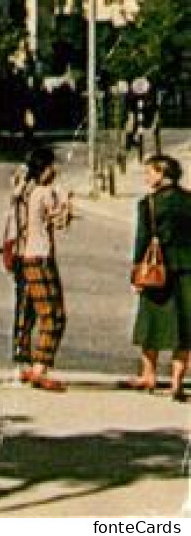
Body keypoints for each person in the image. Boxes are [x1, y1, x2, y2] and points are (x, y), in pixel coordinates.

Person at [6, 146, 72, 391]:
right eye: (51, 166)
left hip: (24, 255)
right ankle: (40, 367)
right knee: (53, 314)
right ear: (44, 170)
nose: (55, 170)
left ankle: (29, 363)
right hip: (41, 256)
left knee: (32, 310)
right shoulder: (45, 193)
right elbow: (59, 221)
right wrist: (66, 203)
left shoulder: (21, 192)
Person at [128, 155, 189, 401]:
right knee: (185, 328)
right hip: (187, 269)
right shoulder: (189, 201)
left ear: (163, 174)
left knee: (151, 322)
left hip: (158, 271)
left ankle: (149, 375)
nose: (146, 177)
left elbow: (142, 241)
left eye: (149, 172)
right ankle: (176, 382)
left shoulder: (149, 204)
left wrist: (136, 273)